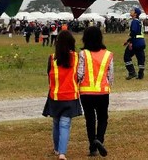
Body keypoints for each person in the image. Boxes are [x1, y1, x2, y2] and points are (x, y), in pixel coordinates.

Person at [42, 30, 82, 160]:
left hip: (55, 95)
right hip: (71, 96)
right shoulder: (77, 57)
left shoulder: (52, 57)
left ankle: (56, 148)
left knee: (56, 123)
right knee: (65, 124)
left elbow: (49, 76)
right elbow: (80, 75)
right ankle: (62, 153)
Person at [78, 26, 112, 157]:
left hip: (86, 92)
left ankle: (92, 148)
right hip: (103, 92)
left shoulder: (83, 54)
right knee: (103, 118)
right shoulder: (108, 54)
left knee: (90, 119)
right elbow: (111, 76)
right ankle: (100, 139)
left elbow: (80, 73)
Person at [123, 8, 146, 80]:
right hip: (141, 42)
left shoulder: (134, 21)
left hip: (135, 42)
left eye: (132, 11)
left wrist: (130, 42)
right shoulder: (139, 21)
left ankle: (132, 72)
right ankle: (141, 74)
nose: (131, 11)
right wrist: (127, 41)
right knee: (140, 58)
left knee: (127, 56)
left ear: (135, 14)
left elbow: (133, 32)